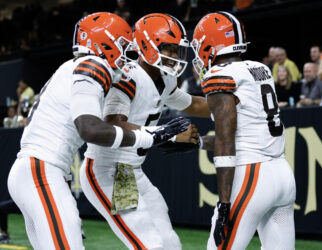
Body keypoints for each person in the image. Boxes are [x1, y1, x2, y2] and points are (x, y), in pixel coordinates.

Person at [7, 12, 188, 250]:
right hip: (70, 170)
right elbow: (90, 130)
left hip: (45, 170)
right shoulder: (94, 65)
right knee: (150, 244)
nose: (127, 54)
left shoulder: (77, 67)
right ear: (106, 44)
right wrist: (154, 134)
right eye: (123, 45)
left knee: (166, 242)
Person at [79, 13, 210, 250]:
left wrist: (229, 107)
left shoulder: (165, 79)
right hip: (109, 170)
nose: (173, 56)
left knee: (170, 243)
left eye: (176, 50)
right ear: (147, 46)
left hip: (130, 171)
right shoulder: (128, 76)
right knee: (150, 245)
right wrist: (167, 133)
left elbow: (192, 103)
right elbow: (114, 124)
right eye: (168, 48)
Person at [191, 11, 296, 249]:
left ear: (210, 43)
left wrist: (224, 203)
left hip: (252, 175)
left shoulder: (220, 74)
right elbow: (244, 129)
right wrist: (198, 142)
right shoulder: (260, 68)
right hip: (282, 174)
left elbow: (226, 140)